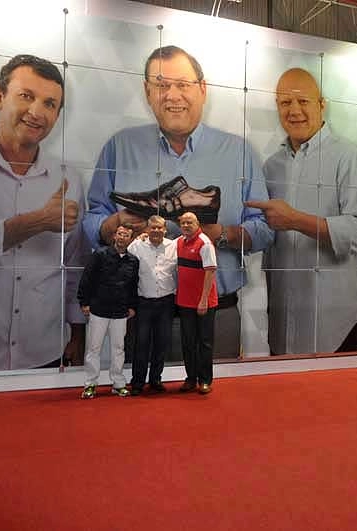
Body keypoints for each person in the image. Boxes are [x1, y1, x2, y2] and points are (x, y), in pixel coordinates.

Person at [83, 45, 274, 359]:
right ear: (147, 92)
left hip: (214, 311)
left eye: (182, 85)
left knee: (214, 401)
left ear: (202, 89)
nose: (172, 95)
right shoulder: (120, 146)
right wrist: (114, 224)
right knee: (142, 405)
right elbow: (91, 223)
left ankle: (185, 196)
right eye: (161, 85)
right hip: (140, 312)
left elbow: (265, 230)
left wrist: (220, 235)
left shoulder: (238, 152)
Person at [0, 54, 89, 371]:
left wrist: (77, 332)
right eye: (26, 96)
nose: (37, 112)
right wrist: (36, 222)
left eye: (50, 104)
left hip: (46, 351)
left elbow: (73, 264)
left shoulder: (68, 178)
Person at [247, 68, 357, 355]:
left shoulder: (348, 158)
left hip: (336, 324)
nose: (294, 111)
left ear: (321, 104)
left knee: (336, 399)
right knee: (284, 398)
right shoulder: (270, 167)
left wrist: (295, 220)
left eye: (303, 101)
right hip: (282, 320)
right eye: (285, 103)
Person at [77, 224, 139, 399]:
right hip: (98, 309)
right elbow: (87, 279)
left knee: (118, 349)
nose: (122, 237)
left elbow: (133, 287)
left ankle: (118, 384)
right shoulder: (100, 255)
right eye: (120, 234)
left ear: (130, 239)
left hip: (120, 312)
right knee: (93, 349)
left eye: (126, 235)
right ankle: (90, 385)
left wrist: (132, 306)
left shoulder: (133, 261)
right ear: (114, 236)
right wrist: (84, 302)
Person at [127, 215, 177, 395]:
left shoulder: (174, 246)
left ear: (165, 229)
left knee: (161, 343)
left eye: (159, 228)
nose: (156, 230)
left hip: (166, 303)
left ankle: (155, 379)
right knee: (141, 343)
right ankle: (137, 383)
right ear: (147, 230)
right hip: (144, 303)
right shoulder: (136, 246)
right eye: (153, 228)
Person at [175, 212, 218, 394]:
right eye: (183, 222)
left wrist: (203, 301)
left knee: (205, 343)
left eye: (189, 222)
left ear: (197, 223)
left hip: (204, 304)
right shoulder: (177, 242)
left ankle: (205, 380)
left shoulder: (205, 243)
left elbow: (210, 273)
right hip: (185, 302)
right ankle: (191, 378)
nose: (186, 225)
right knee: (188, 342)